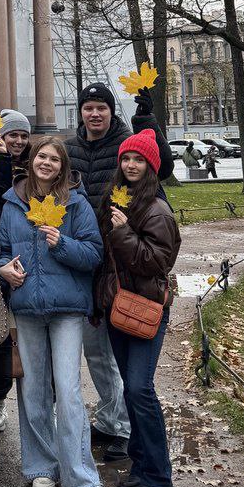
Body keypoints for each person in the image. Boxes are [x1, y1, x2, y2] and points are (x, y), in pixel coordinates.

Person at [66, 81, 172, 462]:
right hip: (88, 258)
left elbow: (163, 164)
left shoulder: (128, 143)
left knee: (119, 353)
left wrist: (148, 119)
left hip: (123, 261)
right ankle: (112, 418)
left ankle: (125, 427)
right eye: (88, 107)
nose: (95, 114)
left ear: (112, 112)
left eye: (102, 108)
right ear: (81, 112)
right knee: (96, 351)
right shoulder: (70, 149)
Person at [0, 135, 106, 487]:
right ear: (31, 161)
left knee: (69, 391)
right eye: (41, 157)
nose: (47, 163)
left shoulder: (76, 204)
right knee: (33, 390)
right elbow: (3, 250)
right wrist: (4, 270)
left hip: (67, 309)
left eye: (54, 159)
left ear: (62, 166)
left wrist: (63, 244)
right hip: (27, 306)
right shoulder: (12, 203)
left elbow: (94, 253)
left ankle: (81, 478)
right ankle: (42, 466)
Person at [96, 130, 180, 487]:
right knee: (132, 392)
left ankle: (161, 479)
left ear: (151, 167)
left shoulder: (157, 210)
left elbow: (155, 261)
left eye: (138, 160)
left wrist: (123, 231)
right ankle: (143, 467)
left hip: (146, 309)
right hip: (119, 307)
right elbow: (106, 258)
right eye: (127, 159)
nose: (130, 165)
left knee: (140, 390)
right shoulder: (116, 200)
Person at [0, 109, 31, 432]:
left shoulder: (34, 166)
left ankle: (42, 404)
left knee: (31, 336)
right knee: (3, 337)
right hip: (0, 259)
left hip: (29, 257)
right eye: (11, 134)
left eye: (22, 135)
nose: (16, 140)